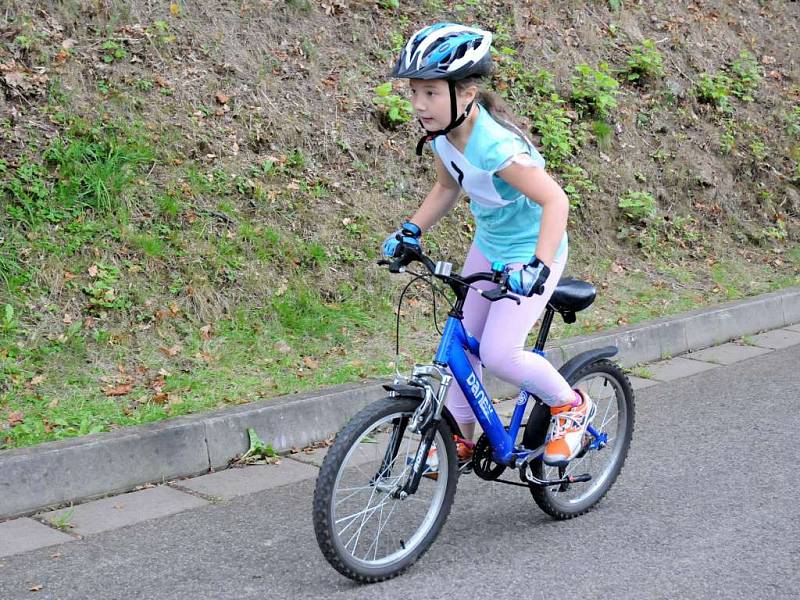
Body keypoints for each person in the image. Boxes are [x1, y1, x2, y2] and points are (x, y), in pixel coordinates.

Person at [382, 23, 595, 467]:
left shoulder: (497, 148)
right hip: (490, 244)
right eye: (415, 92)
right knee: (462, 343)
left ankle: (571, 405)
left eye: (431, 93)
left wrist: (537, 265)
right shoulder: (442, 136)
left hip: (534, 249)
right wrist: (411, 230)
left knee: (500, 353)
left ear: (467, 93)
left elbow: (556, 200)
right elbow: (446, 188)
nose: (419, 105)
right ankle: (461, 436)